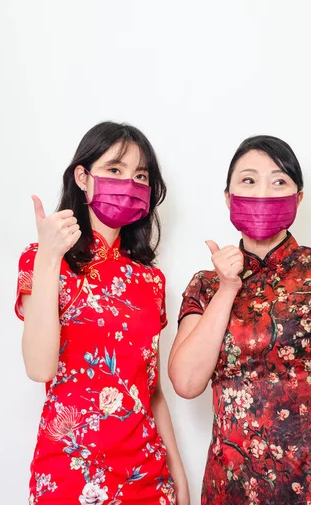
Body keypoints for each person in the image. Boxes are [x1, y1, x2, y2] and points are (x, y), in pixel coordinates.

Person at [168, 135, 311, 505]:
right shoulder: (206, 283)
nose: (263, 192)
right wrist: (228, 288)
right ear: (228, 196)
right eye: (248, 180)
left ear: (298, 198)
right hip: (231, 483)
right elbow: (185, 381)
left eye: (278, 181)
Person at [15, 121, 189, 505]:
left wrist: (177, 469)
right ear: (82, 176)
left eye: (140, 175)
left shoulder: (151, 280)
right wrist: (48, 258)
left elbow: (152, 389)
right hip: (69, 475)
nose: (128, 182)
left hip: (147, 476)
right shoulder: (42, 259)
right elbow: (39, 368)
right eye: (114, 170)